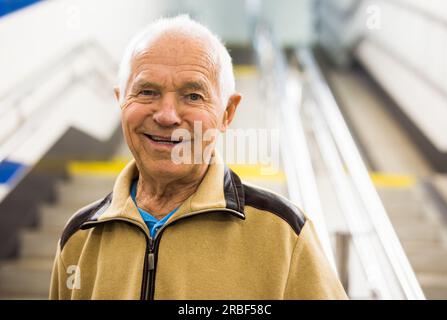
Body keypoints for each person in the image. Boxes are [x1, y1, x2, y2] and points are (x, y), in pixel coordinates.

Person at [49, 15, 347, 300]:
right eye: (147, 91)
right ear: (120, 101)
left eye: (193, 96)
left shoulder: (283, 234)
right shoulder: (80, 237)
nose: (167, 115)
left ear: (227, 113)